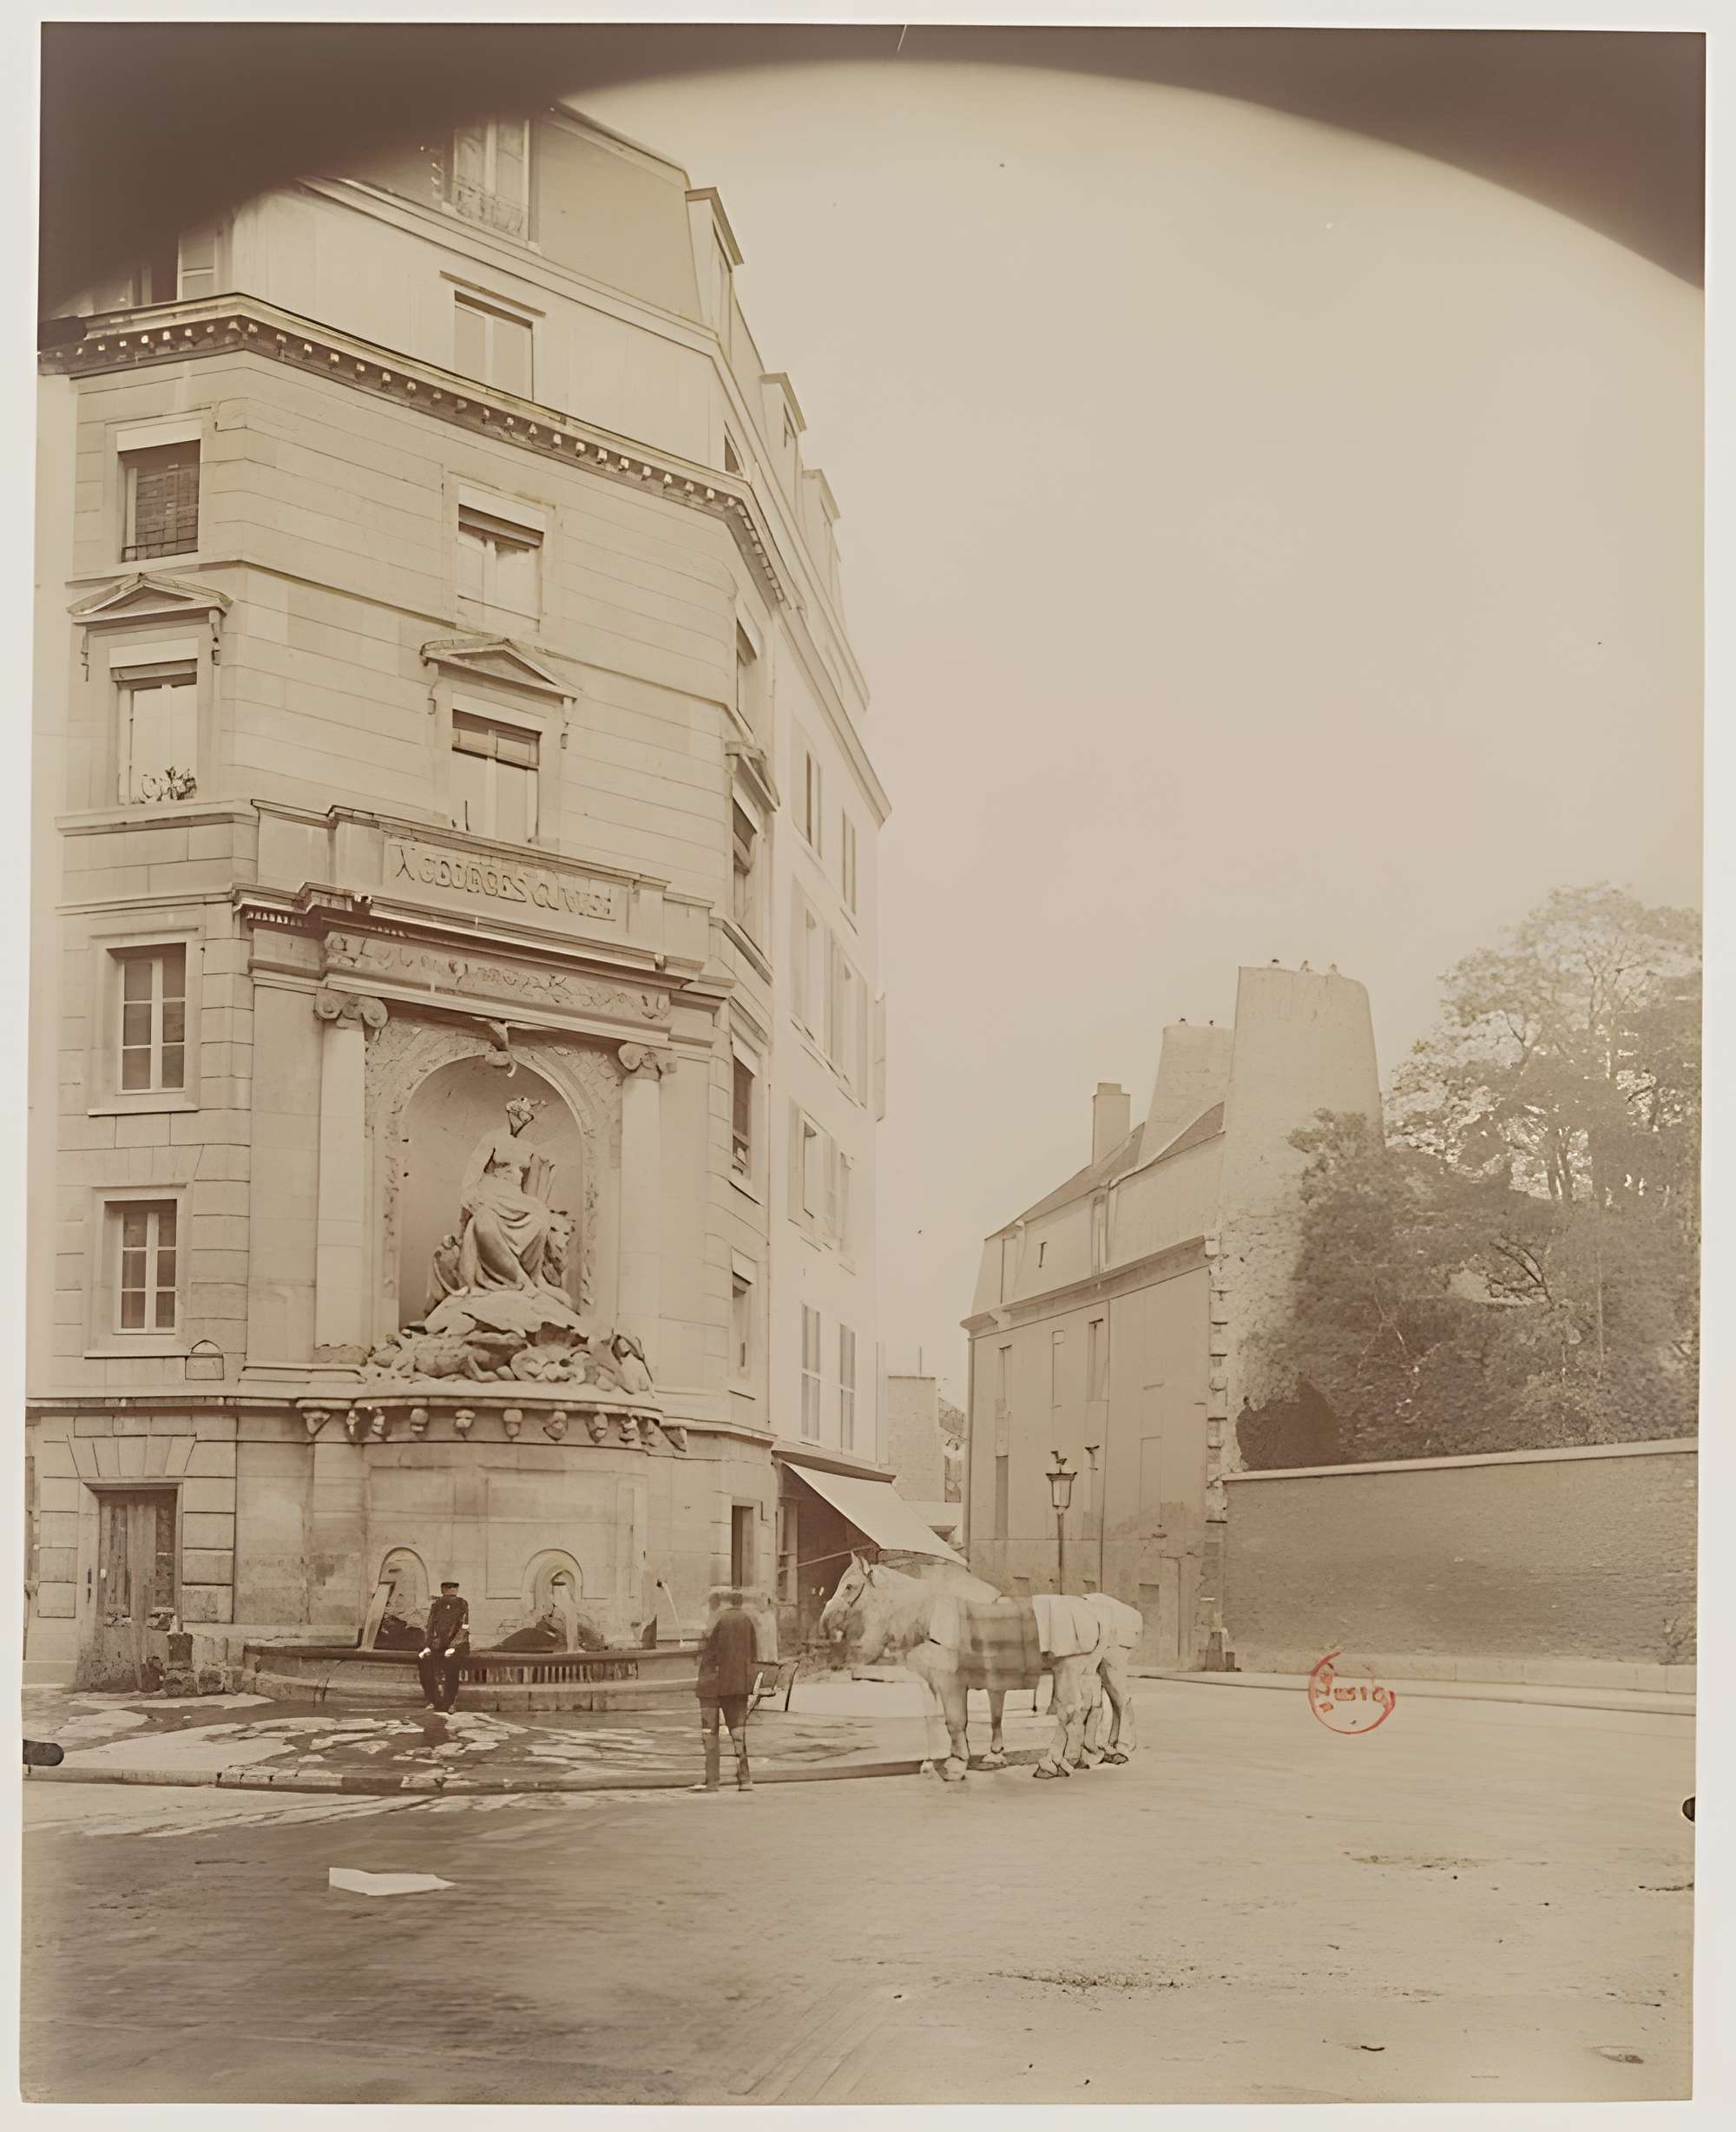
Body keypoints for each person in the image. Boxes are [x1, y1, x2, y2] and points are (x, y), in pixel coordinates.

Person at [694, 1587, 758, 1793]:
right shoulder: (747, 1620)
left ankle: (712, 1781)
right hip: (738, 1684)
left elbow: (707, 1654)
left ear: (716, 1603)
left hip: (712, 1685)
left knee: (709, 1733)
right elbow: (753, 1653)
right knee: (738, 1732)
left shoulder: (716, 1621)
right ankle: (745, 1779)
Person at [418, 1579, 470, 1712]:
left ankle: (450, 1703)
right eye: (447, 1592)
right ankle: (433, 1700)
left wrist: (453, 1646)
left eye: (452, 1592)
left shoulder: (462, 1604)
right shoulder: (436, 1605)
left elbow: (464, 1627)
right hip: (438, 1645)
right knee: (424, 1662)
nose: (449, 1595)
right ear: (443, 1591)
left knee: (452, 1664)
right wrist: (427, 1646)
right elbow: (430, 1626)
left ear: (456, 1591)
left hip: (458, 1646)